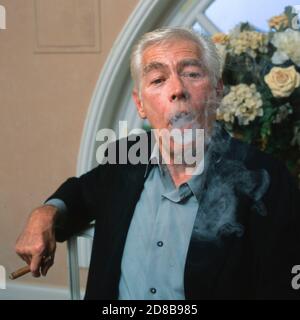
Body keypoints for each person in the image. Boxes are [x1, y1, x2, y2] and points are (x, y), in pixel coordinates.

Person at [15, 27, 300, 300]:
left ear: (217, 91)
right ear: (140, 104)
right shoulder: (125, 157)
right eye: (158, 80)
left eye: (191, 73)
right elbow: (80, 192)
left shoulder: (267, 181)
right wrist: (45, 212)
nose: (177, 89)